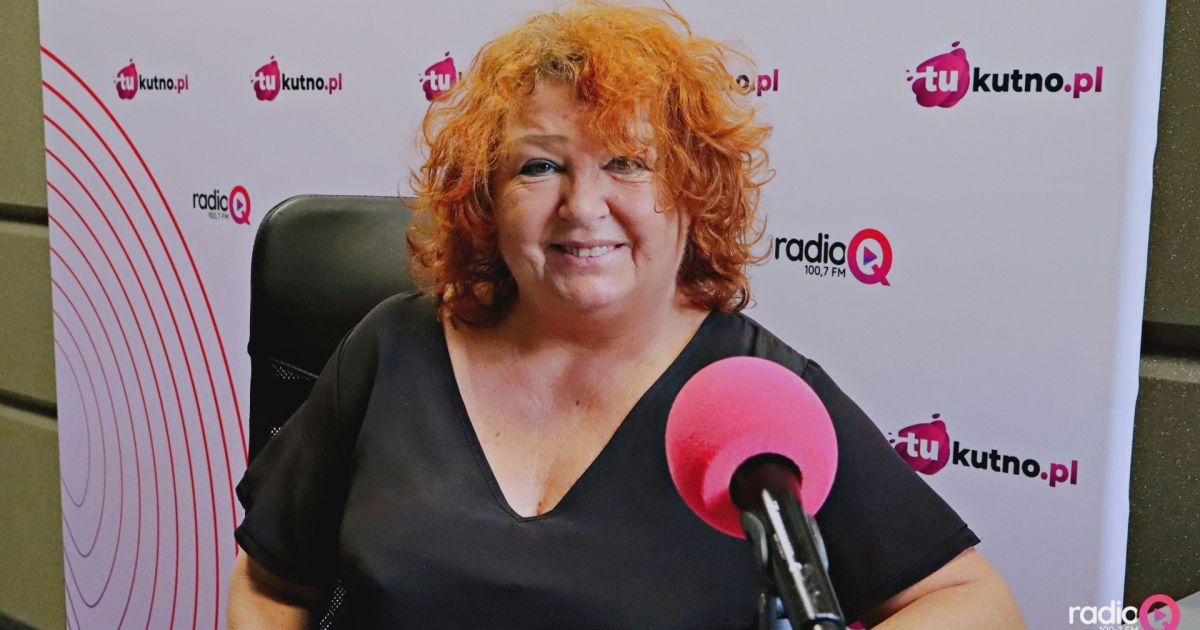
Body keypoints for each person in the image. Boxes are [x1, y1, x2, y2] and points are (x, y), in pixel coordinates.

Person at [227, 2, 1025, 628]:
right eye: (539, 166)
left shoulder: (755, 398)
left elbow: (969, 600)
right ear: (487, 198)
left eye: (627, 163)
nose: (584, 206)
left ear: (693, 192)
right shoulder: (391, 349)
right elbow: (269, 586)